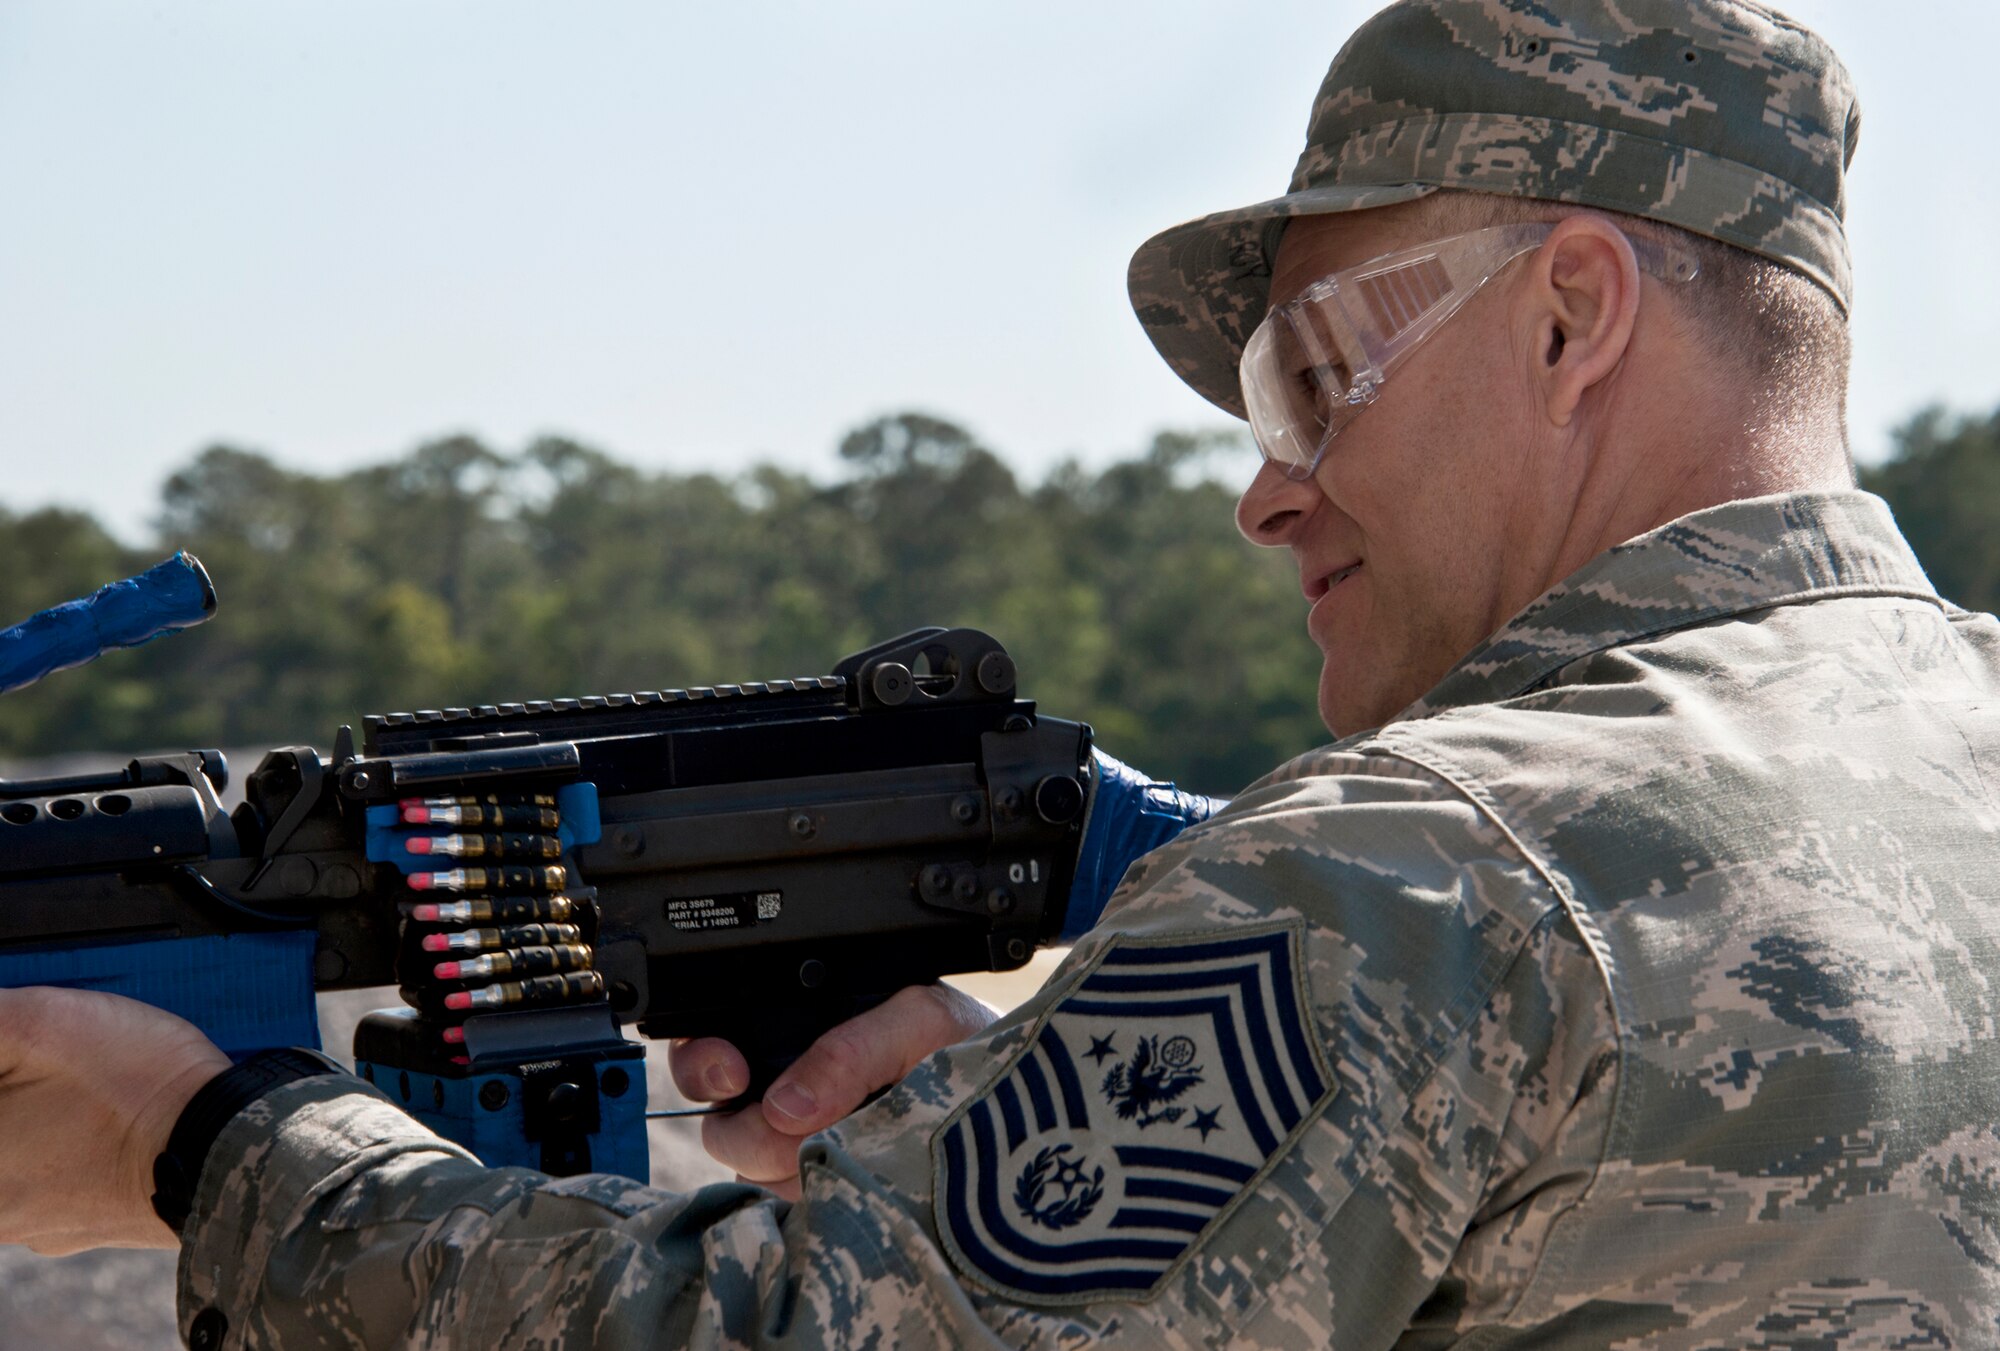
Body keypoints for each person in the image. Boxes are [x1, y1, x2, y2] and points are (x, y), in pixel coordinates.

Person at [4, 0, 1998, 1344]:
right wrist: (1030, 1132)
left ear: (1572, 313)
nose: (1266, 488)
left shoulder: (1427, 867)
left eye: (1309, 371)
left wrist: (209, 1142)